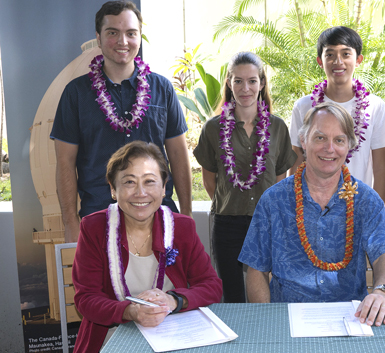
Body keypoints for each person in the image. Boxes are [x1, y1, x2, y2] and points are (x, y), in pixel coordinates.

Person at [239, 102, 385, 327]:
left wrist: (382, 292)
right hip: (287, 319)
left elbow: (384, 256)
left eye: (339, 140)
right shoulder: (273, 201)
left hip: (352, 319)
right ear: (303, 141)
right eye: (320, 138)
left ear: (349, 146)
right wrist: (268, 321)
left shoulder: (367, 200)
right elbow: (256, 269)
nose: (329, 148)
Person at [51, 1, 192, 243]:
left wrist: (187, 216)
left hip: (158, 216)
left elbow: (179, 154)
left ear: (139, 37)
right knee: (103, 283)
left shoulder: (162, 89)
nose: (123, 41)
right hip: (98, 219)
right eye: (112, 33)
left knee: (165, 283)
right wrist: (71, 223)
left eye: (130, 33)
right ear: (98, 37)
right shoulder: (75, 93)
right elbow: (65, 163)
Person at [72, 141, 222, 352]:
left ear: (163, 188)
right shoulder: (94, 228)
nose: (140, 193)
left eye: (150, 181)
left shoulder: (182, 227)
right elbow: (86, 299)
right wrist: (130, 312)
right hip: (111, 335)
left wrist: (173, 301)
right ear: (113, 189)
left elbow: (211, 285)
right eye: (129, 182)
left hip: (172, 335)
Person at [193, 52, 296, 303]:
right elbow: (210, 180)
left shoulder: (278, 127)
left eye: (252, 81)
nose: (245, 88)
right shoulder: (212, 129)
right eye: (238, 81)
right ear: (229, 83)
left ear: (261, 83)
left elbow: (281, 179)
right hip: (228, 224)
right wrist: (231, 204)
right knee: (233, 294)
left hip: (267, 222)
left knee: (267, 293)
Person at [289, 26, 385, 202]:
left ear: (358, 59)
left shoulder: (375, 106)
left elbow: (381, 167)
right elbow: (297, 160)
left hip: (358, 204)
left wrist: (377, 213)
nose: (338, 61)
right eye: (330, 54)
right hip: (312, 204)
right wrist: (294, 205)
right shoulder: (304, 106)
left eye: (346, 54)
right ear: (320, 61)